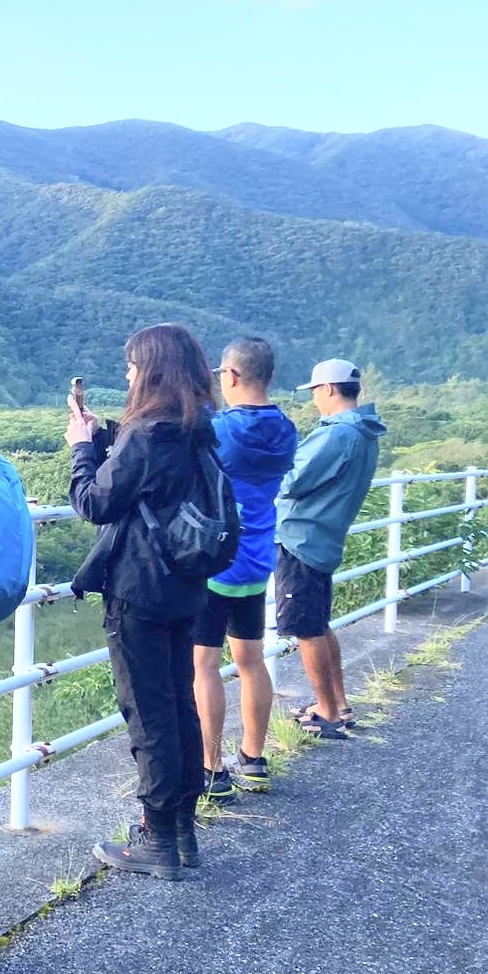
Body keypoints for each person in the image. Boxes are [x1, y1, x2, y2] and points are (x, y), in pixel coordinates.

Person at [67, 323, 218, 879]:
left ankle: (157, 840)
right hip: (185, 586)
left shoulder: (147, 433)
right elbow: (150, 491)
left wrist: (82, 450)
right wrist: (107, 441)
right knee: (180, 705)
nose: (127, 374)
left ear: (151, 370)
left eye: (132, 366)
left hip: (139, 590)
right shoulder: (198, 429)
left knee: (148, 716)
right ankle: (182, 833)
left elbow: (95, 502)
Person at [193, 338, 298, 799]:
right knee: (252, 662)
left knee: (204, 665)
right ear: (269, 376)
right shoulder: (287, 429)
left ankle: (212, 769)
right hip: (256, 561)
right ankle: (253, 759)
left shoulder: (220, 430)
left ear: (230, 376)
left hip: (215, 560)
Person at [276, 358, 387, 739]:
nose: (314, 402)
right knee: (319, 625)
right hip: (324, 539)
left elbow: (291, 481)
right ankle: (338, 703)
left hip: (302, 539)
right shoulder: (365, 432)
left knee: (306, 629)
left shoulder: (336, 434)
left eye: (314, 393)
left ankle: (325, 712)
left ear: (327, 390)